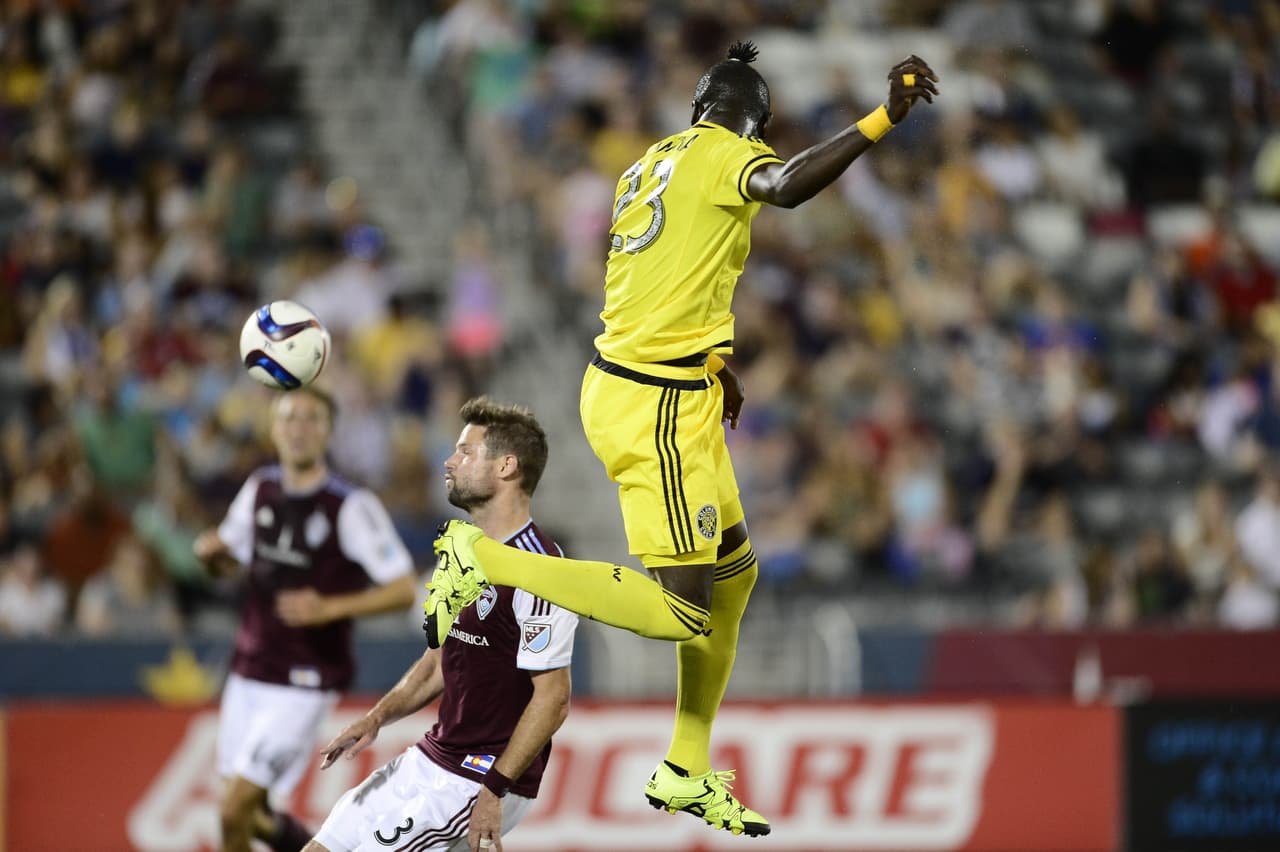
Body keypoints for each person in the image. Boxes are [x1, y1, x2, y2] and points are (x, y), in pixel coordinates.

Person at [424, 41, 938, 838]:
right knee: (687, 611)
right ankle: (481, 559)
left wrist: (714, 362)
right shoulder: (727, 155)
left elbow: (671, 270)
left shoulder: (651, 162)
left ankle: (685, 766)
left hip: (670, 385)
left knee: (735, 576)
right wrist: (884, 117)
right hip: (654, 406)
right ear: (752, 125)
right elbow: (790, 187)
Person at [304, 397, 576, 852]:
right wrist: (377, 718)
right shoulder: (459, 548)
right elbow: (437, 664)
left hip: (478, 777)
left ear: (507, 467)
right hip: (433, 757)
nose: (450, 462)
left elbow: (554, 699)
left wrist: (494, 789)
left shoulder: (542, 569)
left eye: (466, 452)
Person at [194, 387, 417, 852]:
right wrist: (211, 556)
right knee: (251, 815)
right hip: (249, 670)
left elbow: (402, 588)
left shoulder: (349, 505)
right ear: (274, 430)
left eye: (312, 419)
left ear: (329, 431)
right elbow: (230, 560)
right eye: (289, 418)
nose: (299, 428)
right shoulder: (260, 489)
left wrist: (330, 607)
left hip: (303, 679)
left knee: (233, 808)